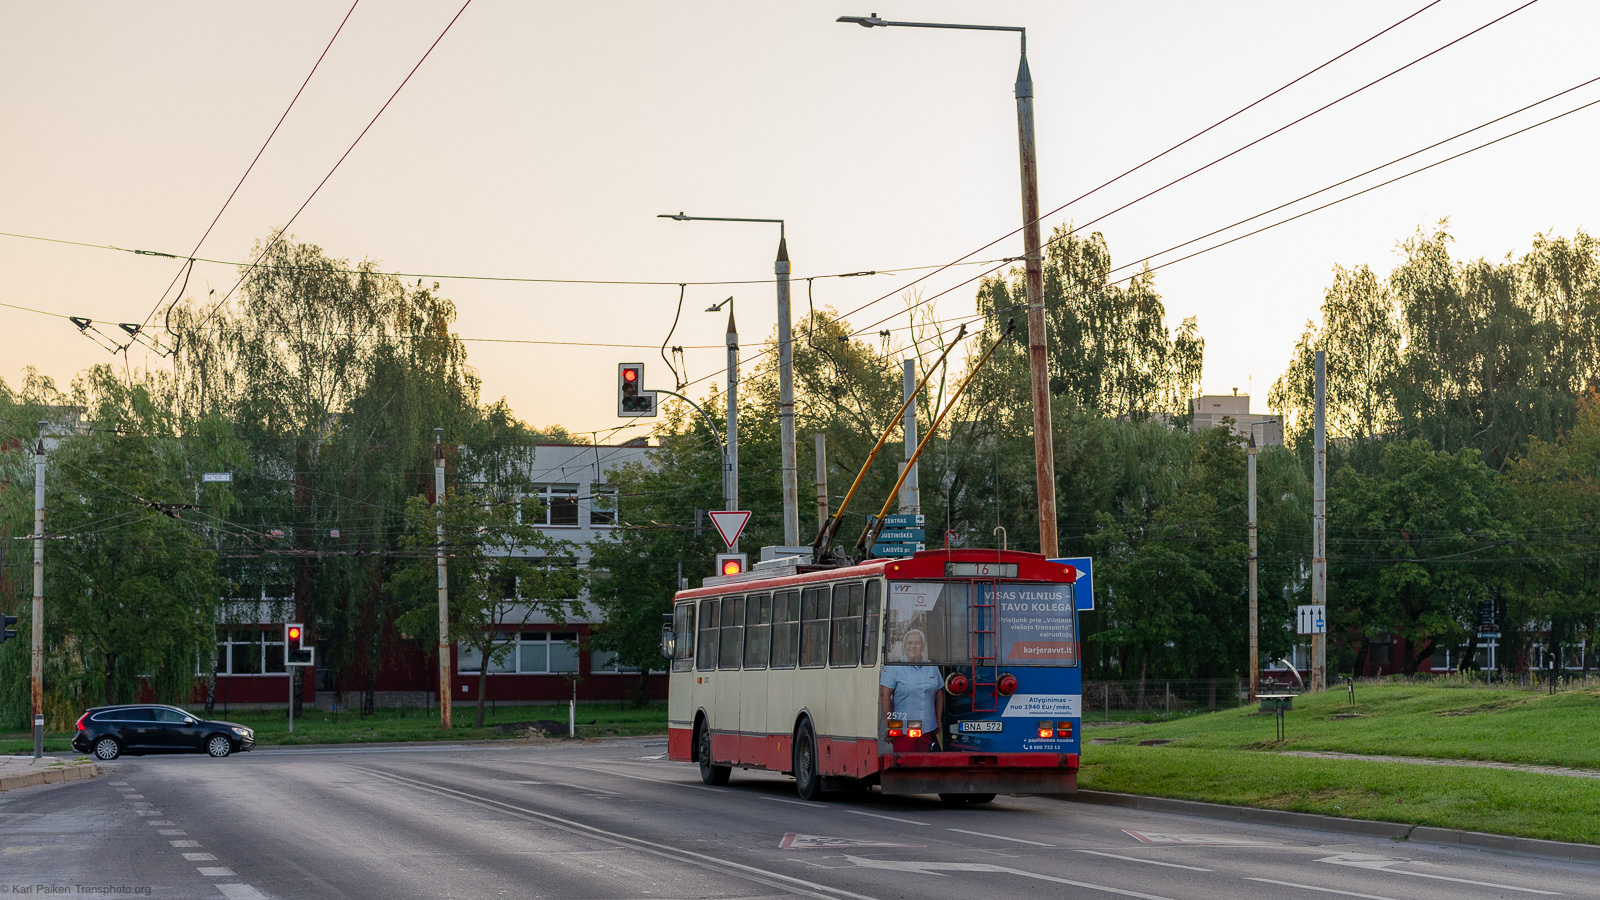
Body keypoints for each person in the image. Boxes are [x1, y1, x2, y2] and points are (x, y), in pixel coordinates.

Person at [880, 629, 943, 750]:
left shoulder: (931, 666)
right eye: (909, 643)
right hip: (903, 729)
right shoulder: (894, 666)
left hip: (927, 729)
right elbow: (884, 695)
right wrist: (890, 725)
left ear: (923, 645)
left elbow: (939, 692)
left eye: (917, 643)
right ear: (904, 645)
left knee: (924, 765)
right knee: (904, 764)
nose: (913, 646)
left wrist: (938, 720)